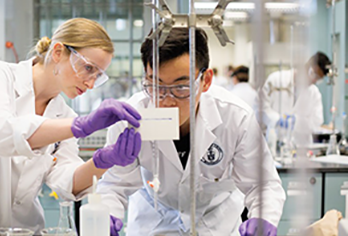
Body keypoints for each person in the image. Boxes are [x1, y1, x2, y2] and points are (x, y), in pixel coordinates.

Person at [0, 18, 142, 234]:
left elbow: (66, 180)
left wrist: (103, 161)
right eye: (88, 68)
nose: (90, 84)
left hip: (24, 229)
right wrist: (79, 126)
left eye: (98, 76)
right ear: (58, 52)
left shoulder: (64, 116)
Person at [97, 27, 285, 236]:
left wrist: (263, 217)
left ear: (205, 81)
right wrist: (107, 214)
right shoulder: (130, 120)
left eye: (181, 88)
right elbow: (114, 184)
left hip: (215, 227)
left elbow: (263, 184)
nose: (166, 101)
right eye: (156, 86)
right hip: (154, 225)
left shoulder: (235, 117)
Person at [259, 52, 331, 145]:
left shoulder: (314, 93)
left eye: (318, 79)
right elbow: (260, 107)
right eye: (313, 75)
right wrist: (276, 120)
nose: (314, 81)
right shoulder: (276, 79)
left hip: (301, 146)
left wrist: (296, 121)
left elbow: (316, 122)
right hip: (275, 141)